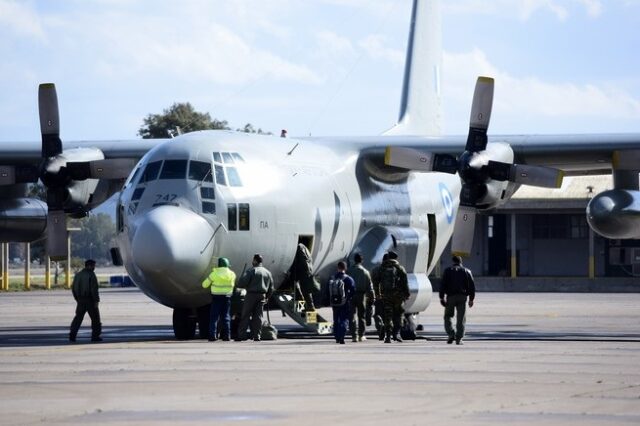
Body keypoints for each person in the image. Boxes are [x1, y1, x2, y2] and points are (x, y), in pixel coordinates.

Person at [235, 254, 274, 341]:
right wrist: (267, 297)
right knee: (258, 317)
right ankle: (257, 336)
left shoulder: (251, 271)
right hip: (262, 296)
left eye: (253, 260)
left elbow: (241, 284)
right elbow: (271, 288)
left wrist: (241, 279)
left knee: (245, 315)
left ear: (255, 261)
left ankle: (242, 335)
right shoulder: (267, 272)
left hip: (251, 295)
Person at [439, 255, 476, 345]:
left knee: (448, 316)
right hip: (462, 297)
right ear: (461, 262)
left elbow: (443, 285)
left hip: (450, 297)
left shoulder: (447, 271)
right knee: (461, 318)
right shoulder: (467, 271)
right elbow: (472, 286)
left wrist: (441, 297)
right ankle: (459, 339)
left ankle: (451, 334)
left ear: (453, 261)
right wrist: (471, 299)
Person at [378, 251, 410, 343]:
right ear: (396, 258)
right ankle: (395, 334)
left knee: (388, 316)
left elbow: (377, 281)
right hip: (398, 297)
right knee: (399, 315)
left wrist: (378, 294)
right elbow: (405, 282)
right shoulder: (400, 268)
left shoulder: (382, 268)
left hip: (386, 296)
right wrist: (407, 294)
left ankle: (388, 337)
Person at [202, 257, 237, 341]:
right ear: (227, 265)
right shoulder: (232, 274)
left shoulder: (214, 274)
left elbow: (204, 285)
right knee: (226, 317)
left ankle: (212, 336)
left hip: (216, 298)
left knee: (214, 317)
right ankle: (227, 336)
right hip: (227, 298)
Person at [69, 259, 102, 342]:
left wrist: (78, 299)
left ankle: (72, 335)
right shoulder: (91, 275)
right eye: (93, 266)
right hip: (90, 300)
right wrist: (96, 301)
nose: (94, 268)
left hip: (80, 300)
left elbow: (73, 288)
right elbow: (94, 289)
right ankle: (95, 336)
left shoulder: (78, 275)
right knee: (95, 319)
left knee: (78, 319)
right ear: (90, 266)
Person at [347, 253, 374, 342]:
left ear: (354, 260)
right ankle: (361, 335)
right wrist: (372, 298)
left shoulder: (349, 271)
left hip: (351, 295)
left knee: (352, 316)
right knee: (361, 316)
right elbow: (370, 287)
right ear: (362, 261)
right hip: (361, 295)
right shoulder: (365, 272)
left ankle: (354, 335)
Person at [327, 261, 355, 344]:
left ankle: (336, 337)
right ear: (345, 268)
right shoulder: (348, 279)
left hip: (334, 303)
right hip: (344, 302)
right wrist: (348, 298)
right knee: (343, 319)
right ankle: (342, 337)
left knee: (336, 320)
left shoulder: (332, 278)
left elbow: (327, 291)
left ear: (338, 268)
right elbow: (353, 290)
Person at [290, 243, 317, 312]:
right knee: (304, 289)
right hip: (307, 270)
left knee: (303, 289)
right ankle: (309, 305)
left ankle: (308, 306)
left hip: (304, 271)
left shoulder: (299, 247)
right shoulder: (303, 247)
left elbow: (301, 261)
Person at [370, 253, 388, 340]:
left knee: (377, 314)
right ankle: (385, 329)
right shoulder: (391, 270)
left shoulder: (375, 270)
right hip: (388, 296)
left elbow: (372, 282)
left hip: (378, 296)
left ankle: (380, 327)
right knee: (387, 315)